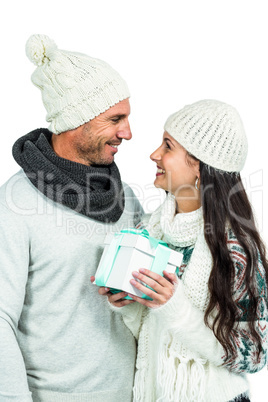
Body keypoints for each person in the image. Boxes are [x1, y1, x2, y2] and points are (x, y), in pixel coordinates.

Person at [0, 34, 143, 401]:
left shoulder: (124, 198)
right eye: (116, 119)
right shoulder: (16, 203)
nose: (127, 132)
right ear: (79, 120)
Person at [98, 100, 268, 402]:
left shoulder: (237, 249)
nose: (154, 155)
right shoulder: (151, 229)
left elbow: (254, 355)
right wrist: (128, 300)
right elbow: (151, 332)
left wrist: (174, 307)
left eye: (168, 146)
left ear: (199, 166)